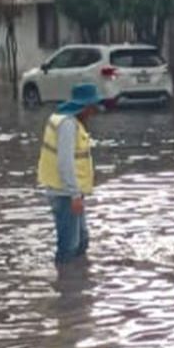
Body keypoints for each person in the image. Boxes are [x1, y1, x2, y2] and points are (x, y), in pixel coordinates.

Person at [37, 83, 106, 264]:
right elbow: (64, 162)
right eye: (92, 107)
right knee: (69, 246)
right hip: (65, 194)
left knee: (81, 241)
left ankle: (77, 283)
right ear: (83, 107)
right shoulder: (68, 125)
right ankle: (67, 286)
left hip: (69, 192)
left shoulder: (67, 120)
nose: (94, 112)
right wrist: (75, 195)